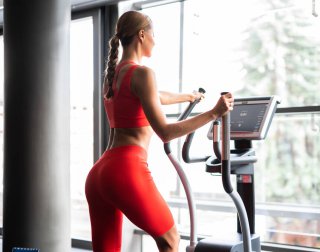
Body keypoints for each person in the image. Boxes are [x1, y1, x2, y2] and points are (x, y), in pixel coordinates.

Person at [85, 10, 234, 252]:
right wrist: (214, 113)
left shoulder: (112, 77)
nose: (156, 40)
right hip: (125, 169)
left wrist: (188, 96)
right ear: (142, 35)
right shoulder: (143, 73)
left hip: (99, 174)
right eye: (154, 34)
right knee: (170, 240)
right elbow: (164, 132)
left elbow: (152, 96)